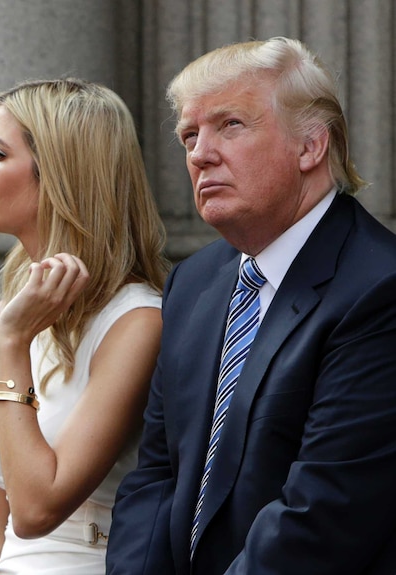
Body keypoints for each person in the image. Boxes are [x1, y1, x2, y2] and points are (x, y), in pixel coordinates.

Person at [104, 37, 396, 575]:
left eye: (230, 125)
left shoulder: (380, 288)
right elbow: (155, 477)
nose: (199, 153)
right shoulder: (192, 282)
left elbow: (325, 511)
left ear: (310, 146)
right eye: (190, 135)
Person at [0, 78, 168, 575]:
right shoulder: (3, 320)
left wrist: (16, 343)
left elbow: (34, 509)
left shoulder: (137, 320)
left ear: (61, 175)